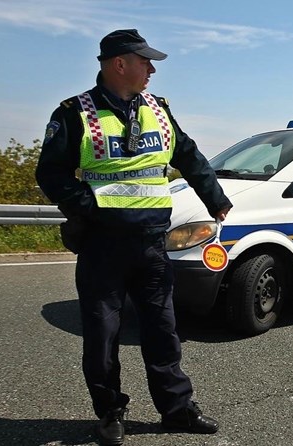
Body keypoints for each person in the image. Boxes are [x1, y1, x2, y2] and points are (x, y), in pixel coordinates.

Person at [35, 29, 232, 446]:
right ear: (119, 63)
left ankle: (177, 409)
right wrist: (89, 209)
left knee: (163, 330)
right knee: (102, 336)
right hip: (102, 246)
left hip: (152, 242)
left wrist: (216, 198)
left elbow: (189, 155)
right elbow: (50, 174)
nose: (152, 69)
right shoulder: (74, 112)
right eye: (145, 61)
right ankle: (110, 412)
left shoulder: (158, 110)